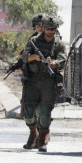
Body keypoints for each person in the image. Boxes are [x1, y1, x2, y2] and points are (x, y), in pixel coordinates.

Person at [20, 16, 66, 152]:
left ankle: (43, 138)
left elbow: (63, 59)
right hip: (32, 81)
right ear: (43, 28)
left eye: (52, 29)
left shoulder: (59, 44)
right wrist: (34, 57)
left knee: (45, 112)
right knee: (28, 112)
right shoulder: (34, 41)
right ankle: (33, 132)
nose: (50, 31)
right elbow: (24, 56)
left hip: (48, 82)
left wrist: (54, 63)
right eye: (47, 29)